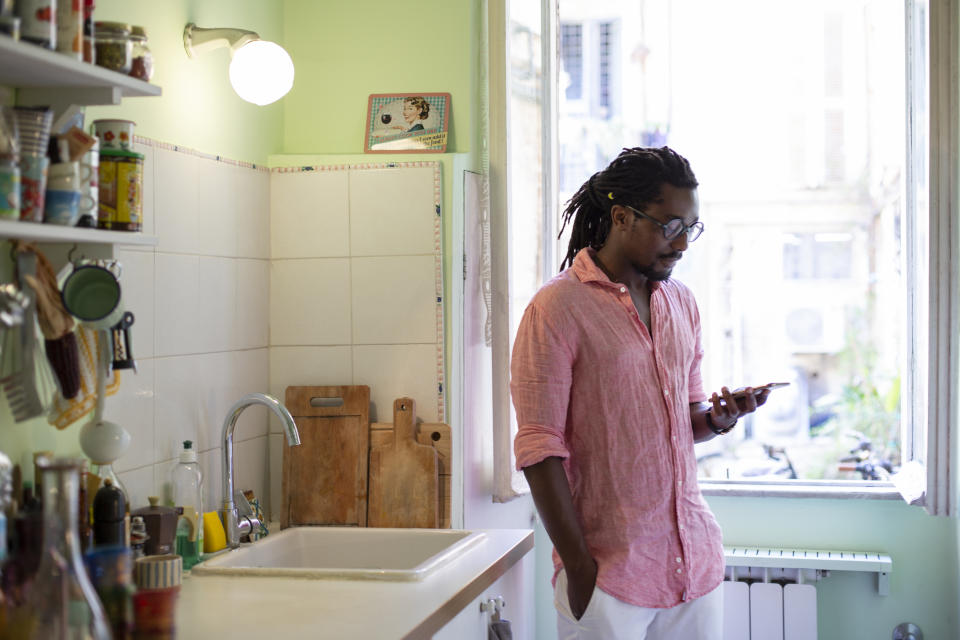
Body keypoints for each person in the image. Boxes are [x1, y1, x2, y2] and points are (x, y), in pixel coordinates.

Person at [510, 146, 772, 639]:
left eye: (690, 228)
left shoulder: (682, 303)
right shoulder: (557, 308)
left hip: (693, 565)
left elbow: (683, 424)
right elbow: (538, 448)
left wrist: (719, 418)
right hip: (610, 577)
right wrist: (580, 566)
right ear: (621, 217)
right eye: (670, 226)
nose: (683, 244)